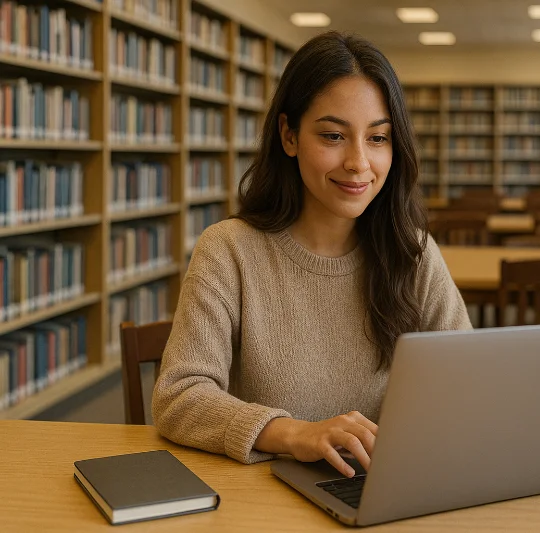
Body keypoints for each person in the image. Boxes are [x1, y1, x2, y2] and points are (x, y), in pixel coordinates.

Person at [151, 31, 471, 478]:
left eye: (377, 139)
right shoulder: (229, 250)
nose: (359, 162)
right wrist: (293, 433)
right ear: (289, 135)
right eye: (334, 135)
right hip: (265, 502)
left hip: (383, 494)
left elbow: (468, 382)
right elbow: (179, 397)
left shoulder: (412, 252)